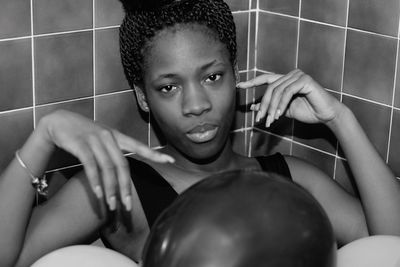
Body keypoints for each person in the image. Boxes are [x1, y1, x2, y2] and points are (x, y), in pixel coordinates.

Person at [0, 0, 399, 266]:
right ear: (143, 97)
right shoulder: (122, 185)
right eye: (168, 87)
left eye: (212, 76)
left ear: (236, 75)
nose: (196, 104)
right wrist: (43, 137)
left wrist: (340, 120)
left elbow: (388, 245)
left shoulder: (290, 177)